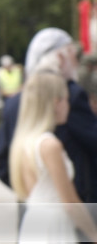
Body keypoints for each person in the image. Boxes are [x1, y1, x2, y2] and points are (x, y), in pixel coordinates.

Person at [0, 28, 97, 211]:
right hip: (75, 208)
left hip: (32, 209)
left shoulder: (13, 103)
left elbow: (2, 162)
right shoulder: (71, 95)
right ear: (61, 58)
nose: (77, 61)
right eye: (74, 55)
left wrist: (36, 192)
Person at [9, 72, 97, 242]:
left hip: (34, 221)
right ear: (56, 103)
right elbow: (70, 203)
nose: (68, 106)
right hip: (54, 226)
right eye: (66, 100)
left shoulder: (25, 141)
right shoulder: (50, 145)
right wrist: (94, 234)